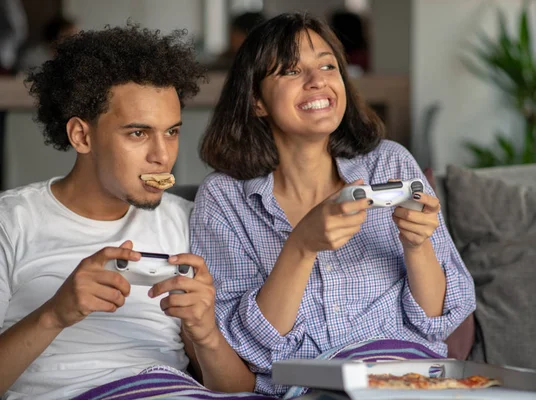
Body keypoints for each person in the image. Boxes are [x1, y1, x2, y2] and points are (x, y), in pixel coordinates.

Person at [192, 12, 476, 397]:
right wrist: (301, 246)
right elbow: (249, 349)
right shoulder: (224, 198)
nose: (318, 81)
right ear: (257, 100)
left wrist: (417, 245)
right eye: (291, 71)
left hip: (410, 377)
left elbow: (437, 322)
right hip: (312, 388)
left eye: (328, 65)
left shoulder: (389, 162)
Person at [0, 23, 255, 399]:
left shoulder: (187, 220)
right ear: (81, 136)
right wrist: (55, 314)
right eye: (138, 133)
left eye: (171, 132)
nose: (163, 156)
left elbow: (238, 392)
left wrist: (205, 334)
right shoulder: (11, 221)